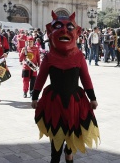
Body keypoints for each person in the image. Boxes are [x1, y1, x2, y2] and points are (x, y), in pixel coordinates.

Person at [31, 11, 100, 163]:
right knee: (55, 145)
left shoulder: (79, 56)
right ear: (50, 32)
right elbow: (41, 78)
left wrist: (93, 98)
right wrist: (34, 97)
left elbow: (86, 78)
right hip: (54, 103)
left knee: (71, 143)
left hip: (75, 104)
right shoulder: (49, 57)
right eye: (58, 27)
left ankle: (69, 156)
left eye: (69, 27)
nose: (64, 31)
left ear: (77, 32)